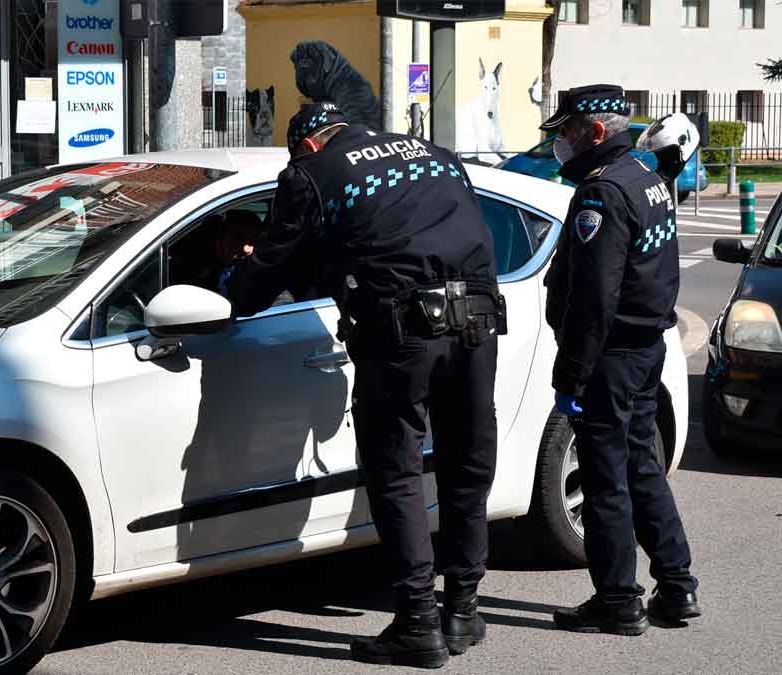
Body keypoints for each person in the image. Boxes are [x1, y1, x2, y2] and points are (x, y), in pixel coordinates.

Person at [223, 101, 505, 669]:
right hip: (478, 322)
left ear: (306, 144)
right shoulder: (437, 157)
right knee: (465, 465)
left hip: (403, 334)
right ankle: (463, 609)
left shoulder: (311, 175)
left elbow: (272, 269)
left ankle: (418, 624)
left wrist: (232, 285)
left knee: (396, 471)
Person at [540, 85, 701, 635]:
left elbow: (593, 299)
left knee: (607, 479)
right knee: (641, 467)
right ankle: (677, 586)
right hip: (646, 346)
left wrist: (572, 375)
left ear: (597, 132)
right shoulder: (647, 177)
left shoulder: (601, 194)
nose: (561, 142)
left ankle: (617, 599)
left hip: (611, 356)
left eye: (567, 132)